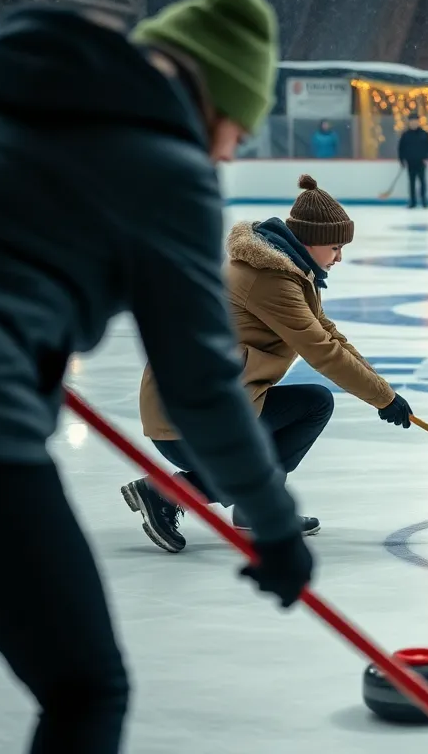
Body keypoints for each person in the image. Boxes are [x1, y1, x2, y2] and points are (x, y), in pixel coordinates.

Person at [0, 0, 314, 753]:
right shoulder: (165, 164)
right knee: (85, 689)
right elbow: (198, 382)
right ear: (214, 103)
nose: (228, 152)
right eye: (237, 130)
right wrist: (274, 523)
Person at [132, 174, 412, 551]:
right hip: (187, 419)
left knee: (314, 402)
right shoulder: (272, 280)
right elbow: (322, 352)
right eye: (335, 246)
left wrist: (385, 393)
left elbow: (331, 337)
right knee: (313, 406)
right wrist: (382, 398)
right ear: (310, 241)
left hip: (203, 403)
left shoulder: (289, 271)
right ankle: (168, 493)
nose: (339, 257)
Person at [397, 111, 428, 208]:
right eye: (412, 121)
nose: (414, 123)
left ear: (418, 122)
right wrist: (402, 160)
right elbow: (401, 149)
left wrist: (427, 157)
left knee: (422, 182)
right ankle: (412, 202)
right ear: (409, 122)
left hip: (421, 162)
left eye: (415, 121)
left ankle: (424, 201)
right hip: (410, 162)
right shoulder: (405, 135)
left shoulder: (424, 134)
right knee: (412, 183)